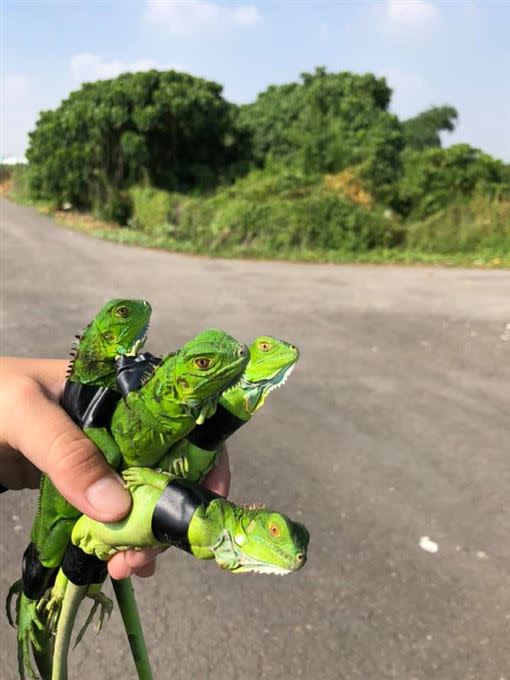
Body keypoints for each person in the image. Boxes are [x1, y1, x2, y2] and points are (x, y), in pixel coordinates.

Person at [0, 357, 231, 580]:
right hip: (63, 516)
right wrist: (91, 472)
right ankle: (31, 597)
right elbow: (108, 453)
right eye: (203, 363)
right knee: (49, 558)